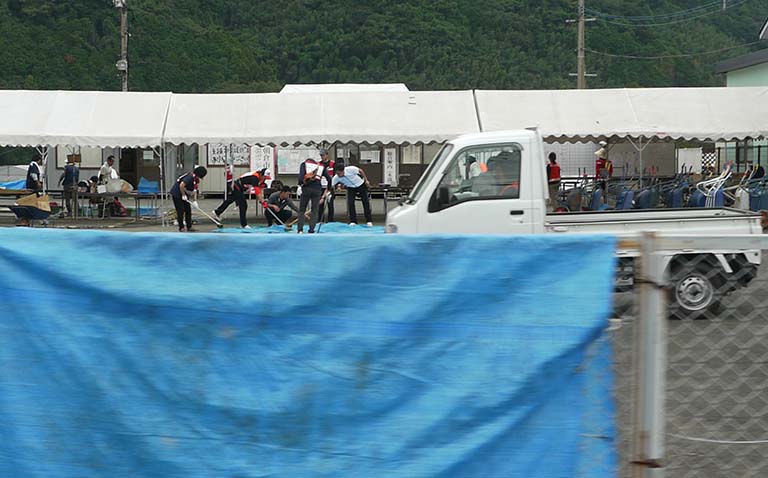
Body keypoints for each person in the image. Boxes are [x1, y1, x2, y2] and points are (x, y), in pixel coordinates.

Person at [297, 158, 331, 233]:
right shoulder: (321, 167)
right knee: (314, 210)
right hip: (317, 190)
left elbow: (300, 177)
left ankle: (300, 230)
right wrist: (328, 189)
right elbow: (329, 179)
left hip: (306, 189)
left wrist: (300, 185)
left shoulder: (304, 165)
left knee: (302, 209)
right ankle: (311, 229)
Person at [170, 166, 207, 232]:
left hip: (184, 193)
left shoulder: (196, 179)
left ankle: (189, 226)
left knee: (188, 210)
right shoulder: (190, 177)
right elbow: (181, 185)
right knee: (180, 210)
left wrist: (195, 201)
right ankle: (181, 227)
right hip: (177, 193)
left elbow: (195, 190)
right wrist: (183, 195)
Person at [318, 148, 336, 222]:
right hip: (320, 186)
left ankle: (330, 220)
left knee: (330, 203)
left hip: (330, 186)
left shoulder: (332, 163)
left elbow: (335, 175)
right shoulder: (318, 164)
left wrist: (337, 185)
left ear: (327, 155)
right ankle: (320, 220)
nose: (322, 157)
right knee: (320, 204)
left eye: (323, 155)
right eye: (321, 155)